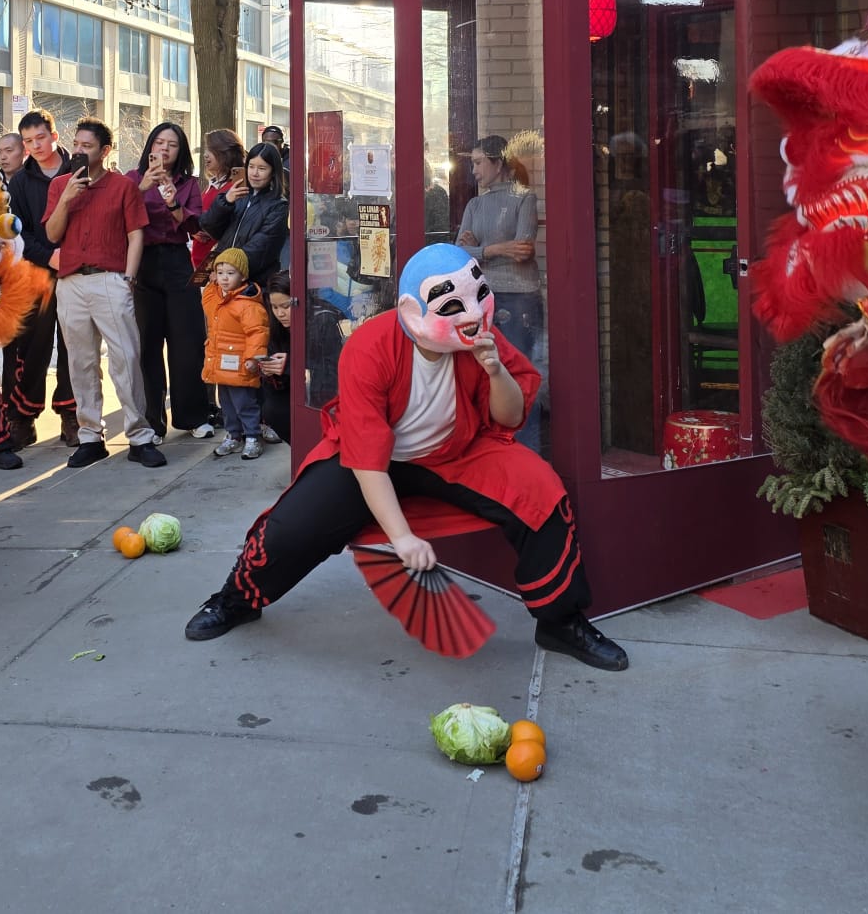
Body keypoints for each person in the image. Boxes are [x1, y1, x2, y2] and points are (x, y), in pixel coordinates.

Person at [183, 244, 630, 673]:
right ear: (413, 313)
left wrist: (494, 368)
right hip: (370, 460)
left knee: (542, 495)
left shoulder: (482, 340)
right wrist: (402, 538)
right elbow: (368, 460)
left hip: (455, 451)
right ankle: (235, 600)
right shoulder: (369, 348)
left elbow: (509, 416)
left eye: (479, 295)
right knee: (291, 527)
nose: (473, 313)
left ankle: (561, 623)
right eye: (453, 306)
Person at [44, 118, 165, 468]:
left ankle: (139, 436)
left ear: (104, 150)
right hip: (70, 282)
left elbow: (136, 234)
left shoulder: (122, 187)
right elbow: (52, 235)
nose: (79, 151)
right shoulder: (61, 186)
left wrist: (128, 278)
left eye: (87, 146)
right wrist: (67, 197)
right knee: (80, 362)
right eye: (77, 144)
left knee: (125, 357)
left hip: (111, 279)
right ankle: (89, 436)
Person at [455, 135, 545, 451]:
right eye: (473, 163)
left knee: (519, 374)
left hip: (520, 298)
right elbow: (460, 252)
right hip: (482, 298)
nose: (474, 171)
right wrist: (495, 248)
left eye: (479, 163)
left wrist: (479, 248)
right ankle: (492, 449)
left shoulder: (524, 199)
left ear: (499, 162)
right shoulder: (474, 203)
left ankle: (526, 452)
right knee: (483, 374)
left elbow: (522, 250)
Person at [0, 110, 82, 446]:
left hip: (78, 270)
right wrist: (48, 255)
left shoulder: (78, 170)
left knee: (74, 344)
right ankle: (23, 416)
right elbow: (19, 232)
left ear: (54, 136)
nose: (36, 146)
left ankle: (71, 414)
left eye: (41, 138)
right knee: (32, 346)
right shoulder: (20, 181)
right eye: (29, 141)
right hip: (36, 271)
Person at [128, 122, 208, 439]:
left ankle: (193, 415)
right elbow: (119, 215)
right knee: (148, 343)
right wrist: (144, 186)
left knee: (187, 340)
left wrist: (173, 199)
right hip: (143, 263)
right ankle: (153, 420)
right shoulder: (132, 179)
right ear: (149, 146)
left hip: (177, 261)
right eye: (159, 142)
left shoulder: (189, 184)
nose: (164, 149)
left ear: (180, 152)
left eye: (171, 145)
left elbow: (194, 227)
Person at [201, 247, 271, 458]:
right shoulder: (218, 300)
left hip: (241, 364)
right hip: (222, 364)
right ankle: (233, 435)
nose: (224, 278)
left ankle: (252, 436)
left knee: (245, 403)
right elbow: (207, 299)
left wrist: (253, 359)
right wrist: (212, 282)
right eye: (220, 273)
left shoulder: (247, 304)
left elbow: (257, 333)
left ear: (243, 275)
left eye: (230, 273)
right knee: (227, 405)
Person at [199, 142, 290, 289]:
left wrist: (226, 270)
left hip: (251, 284)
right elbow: (209, 226)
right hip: (222, 279)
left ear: (273, 172)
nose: (254, 173)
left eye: (262, 168)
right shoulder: (236, 195)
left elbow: (260, 248)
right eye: (251, 166)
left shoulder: (278, 206)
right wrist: (226, 202)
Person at [192, 129, 247, 276]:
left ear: (224, 153)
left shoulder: (235, 189)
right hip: (201, 264)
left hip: (220, 269)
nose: (205, 155)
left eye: (210, 150)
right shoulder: (212, 186)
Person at [259, 268, 294, 444]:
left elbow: (328, 370)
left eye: (286, 306)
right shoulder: (275, 328)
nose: (280, 313)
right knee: (272, 410)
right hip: (285, 393)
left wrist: (289, 366)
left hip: (316, 394)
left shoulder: (322, 320)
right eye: (274, 307)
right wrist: (269, 371)